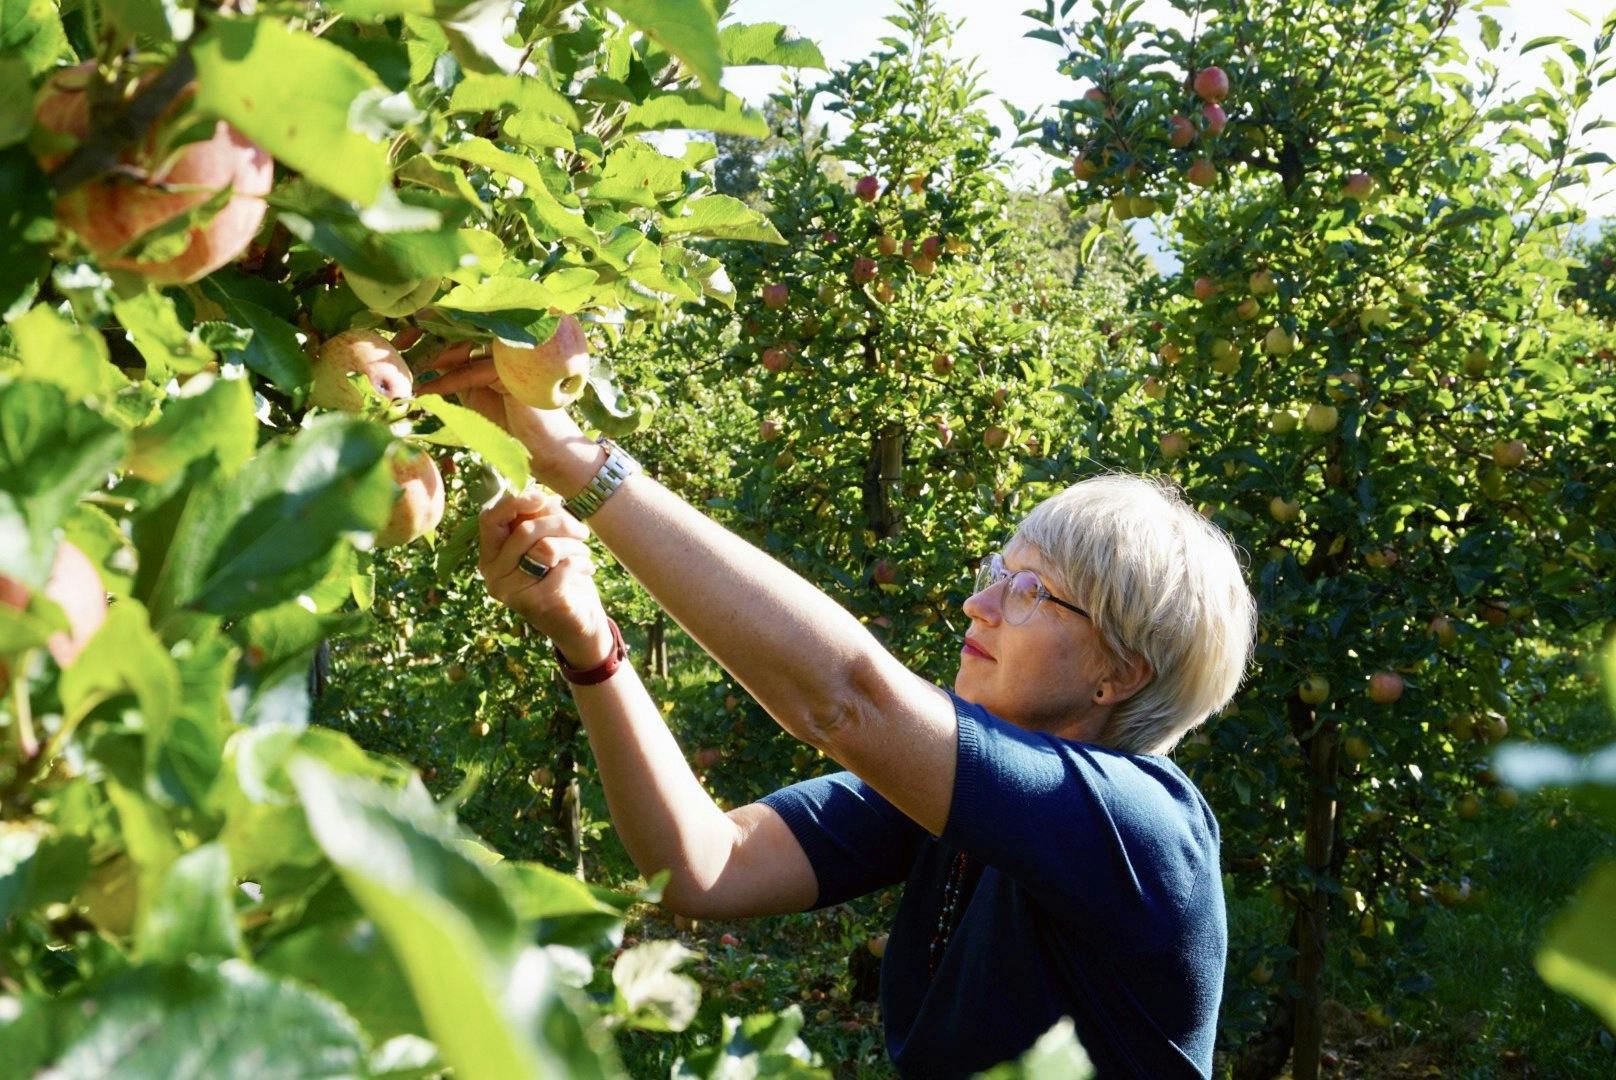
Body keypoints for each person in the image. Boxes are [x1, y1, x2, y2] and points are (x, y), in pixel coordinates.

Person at [440, 373, 1257, 1078]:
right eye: (995, 574)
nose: (978, 604)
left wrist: (579, 464)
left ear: (1120, 673)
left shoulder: (1141, 829)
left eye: (1030, 593)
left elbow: (844, 701)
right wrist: (590, 642)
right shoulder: (954, 805)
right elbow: (703, 867)